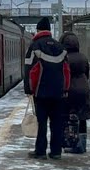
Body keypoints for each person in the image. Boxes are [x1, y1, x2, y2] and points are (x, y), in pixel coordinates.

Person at [24, 17, 69, 159]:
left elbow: (28, 69)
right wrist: (65, 89)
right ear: (49, 31)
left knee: (41, 123)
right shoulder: (60, 47)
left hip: (40, 92)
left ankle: (41, 151)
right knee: (56, 123)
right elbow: (67, 71)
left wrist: (28, 90)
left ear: (38, 30)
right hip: (58, 93)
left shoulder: (35, 46)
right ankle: (56, 152)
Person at [61, 32, 90, 153]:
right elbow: (87, 74)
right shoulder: (83, 57)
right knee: (82, 117)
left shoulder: (63, 58)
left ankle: (70, 143)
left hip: (69, 89)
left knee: (67, 117)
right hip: (83, 89)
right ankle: (82, 145)